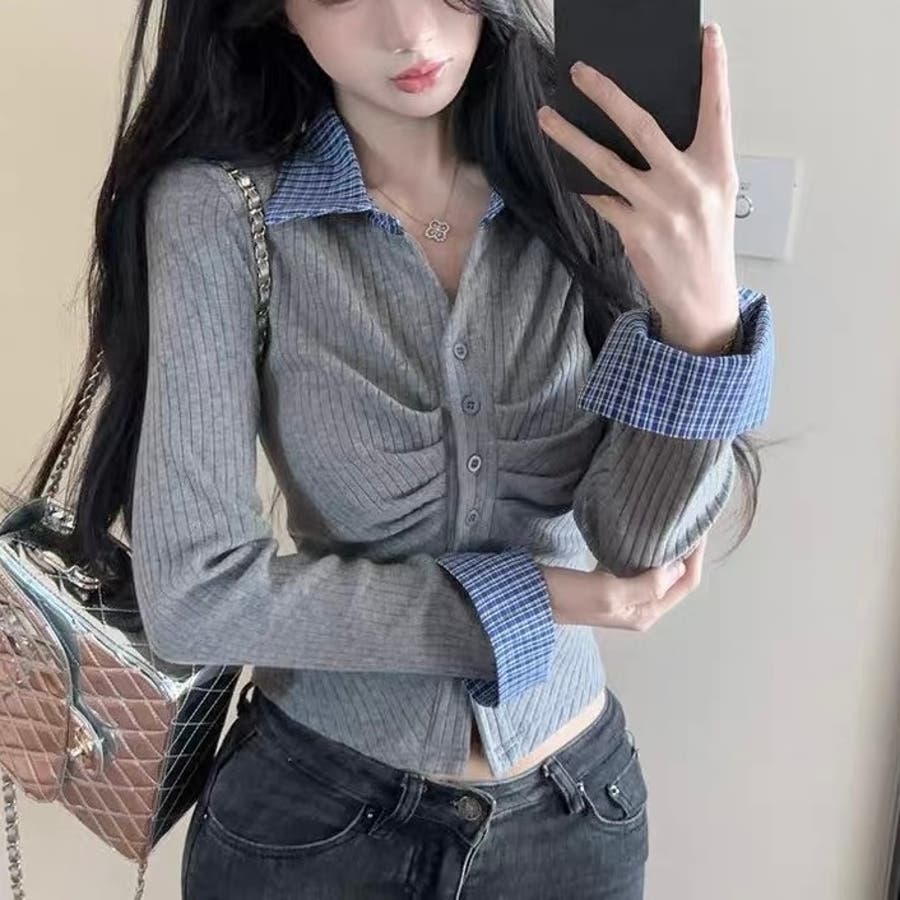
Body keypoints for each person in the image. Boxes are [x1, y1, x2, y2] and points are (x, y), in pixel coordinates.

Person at [21, 0, 774, 896]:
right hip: (314, 821)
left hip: (576, 819)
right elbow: (197, 596)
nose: (409, 30)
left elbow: (639, 549)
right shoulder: (220, 210)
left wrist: (703, 316)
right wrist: (536, 599)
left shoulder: (593, 183)